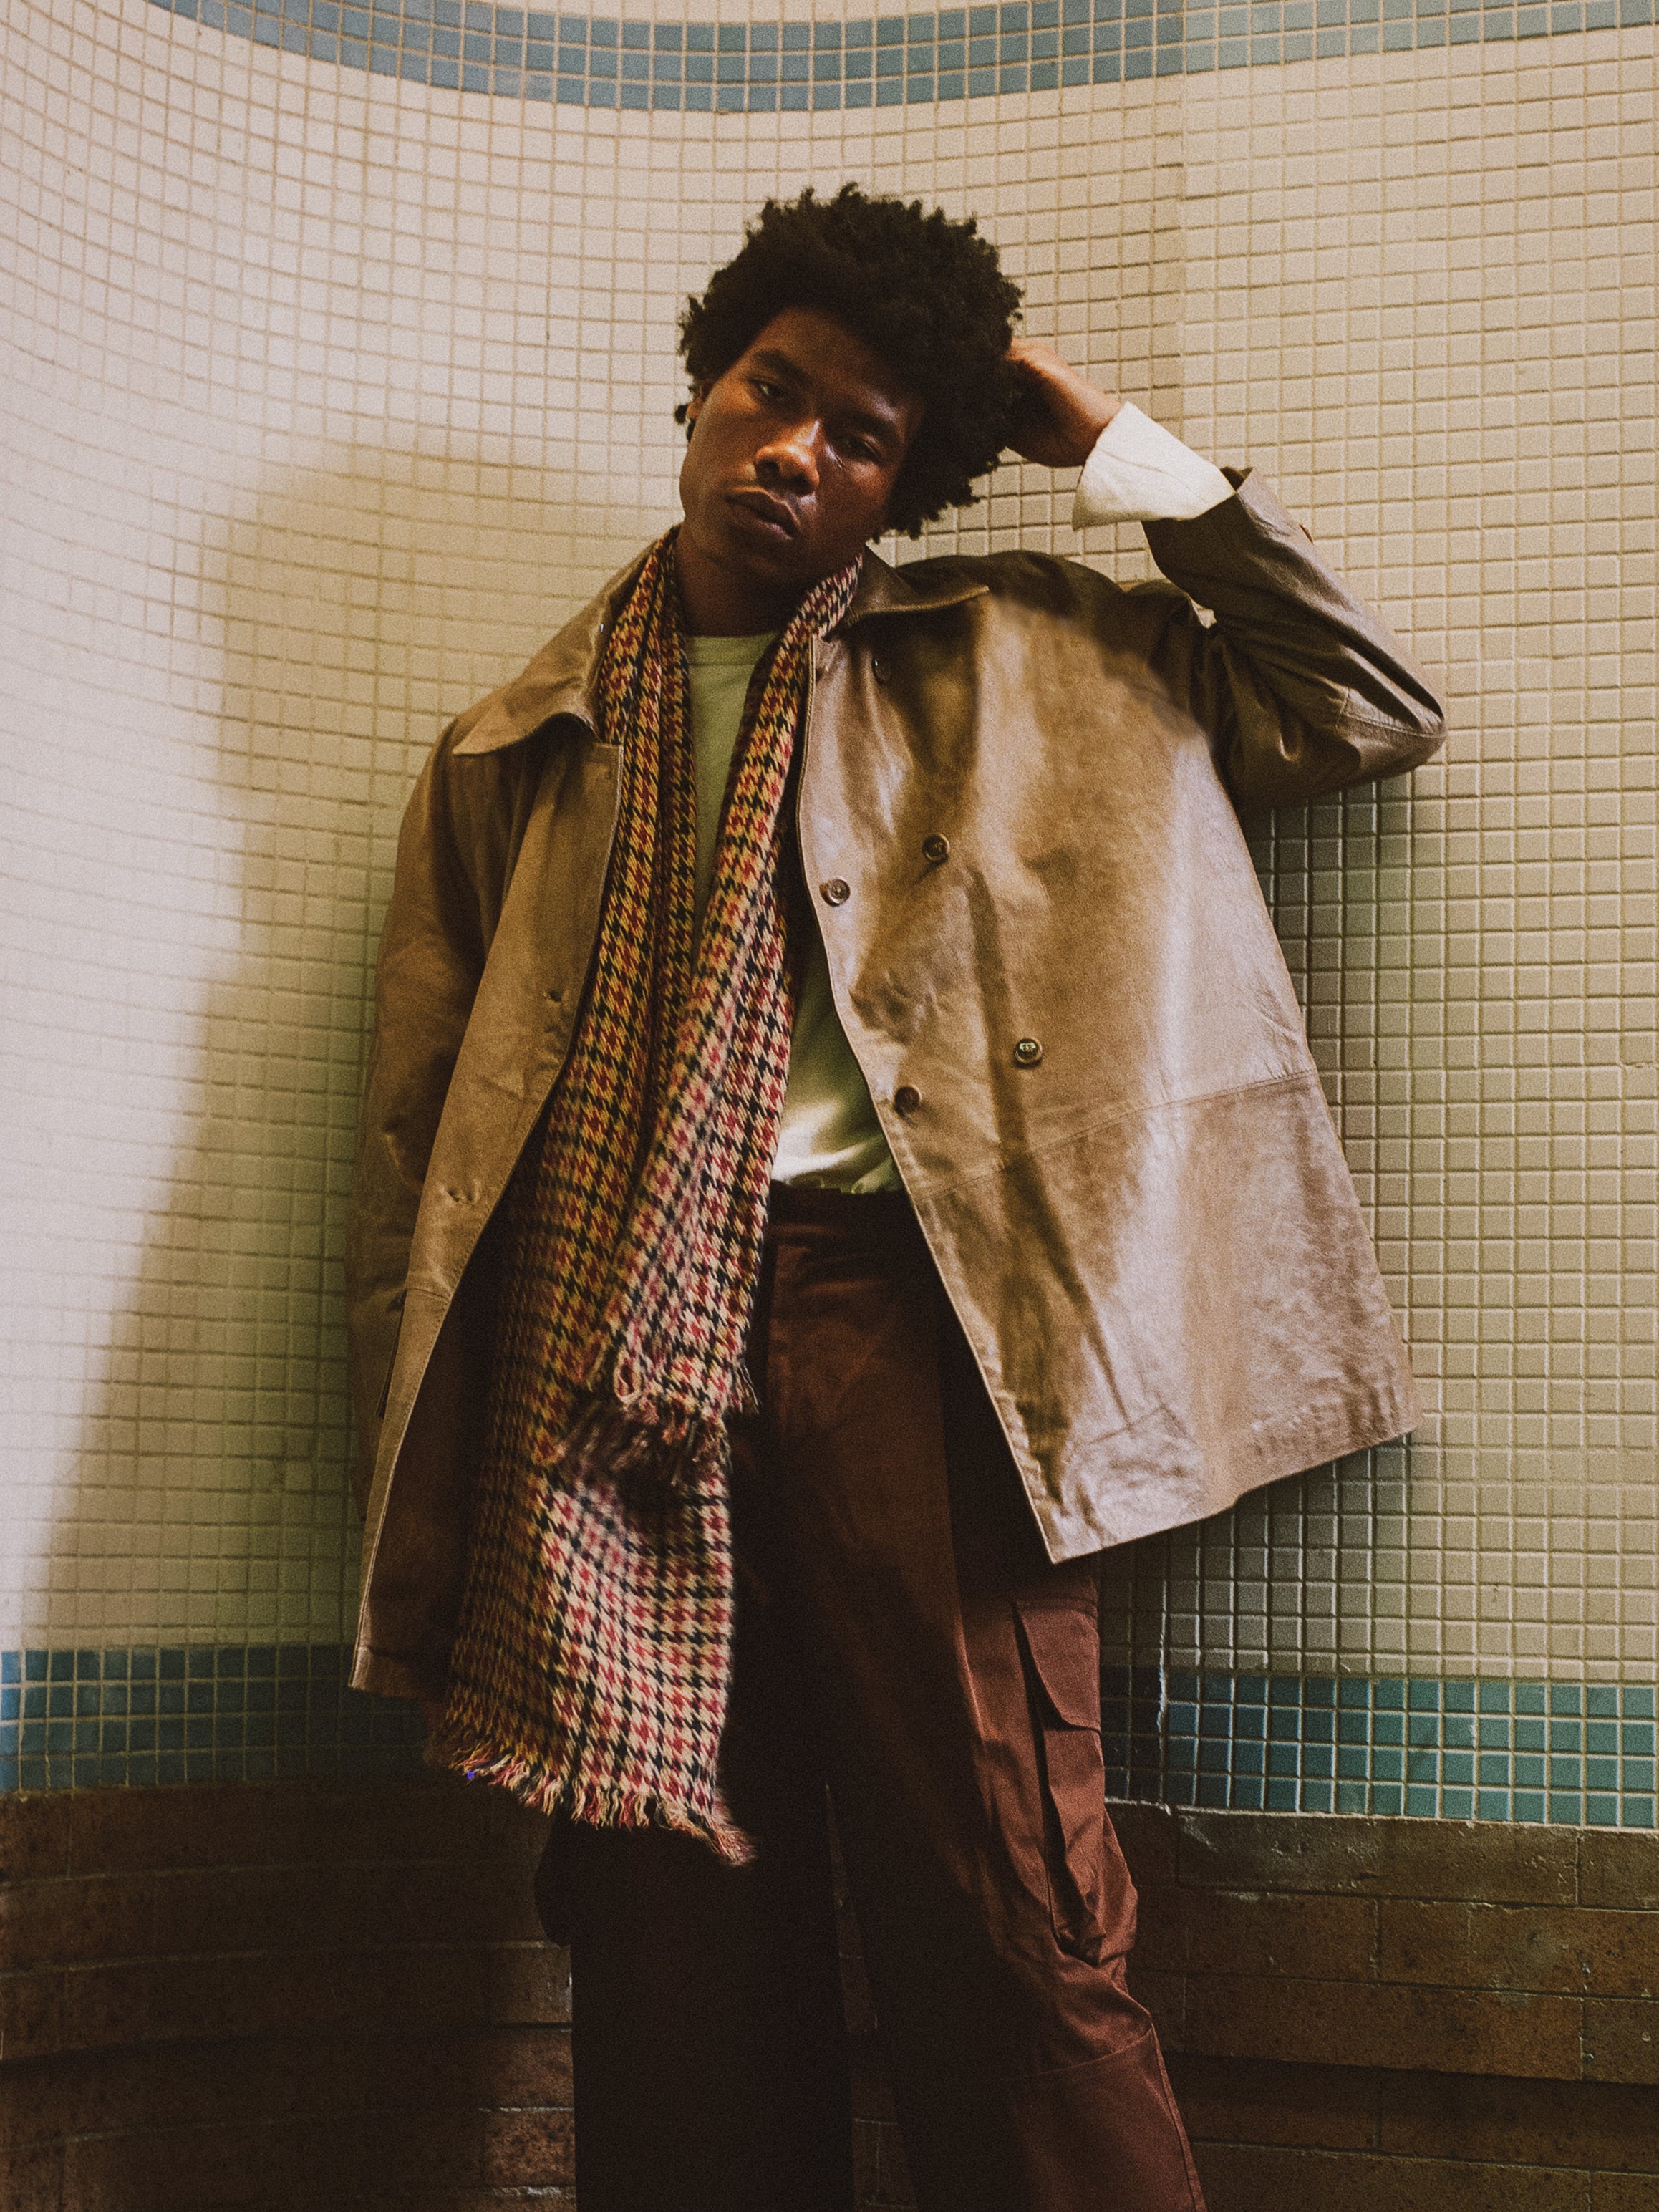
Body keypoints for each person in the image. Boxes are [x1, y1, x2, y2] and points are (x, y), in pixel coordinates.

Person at [344, 185, 1444, 2212]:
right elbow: (427, 1157)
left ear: (903, 490)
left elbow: (1358, 702)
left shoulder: (1030, 654)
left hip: (920, 1326)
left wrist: (1095, 435)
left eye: (862, 435)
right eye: (774, 393)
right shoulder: (515, 743)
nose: (796, 450)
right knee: (667, 1933)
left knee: (1011, 1902)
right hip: (607, 1374)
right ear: (701, 389)